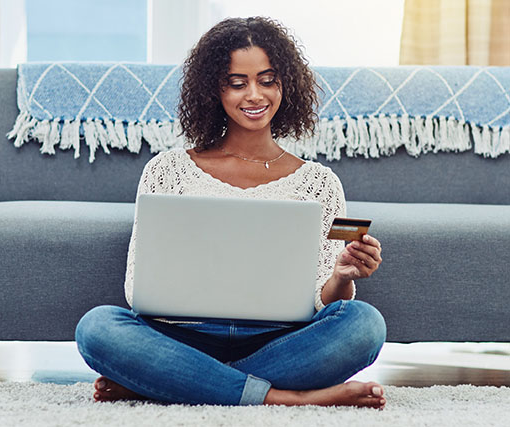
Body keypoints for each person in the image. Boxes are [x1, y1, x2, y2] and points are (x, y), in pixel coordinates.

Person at [75, 16, 386, 409]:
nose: (254, 95)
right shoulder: (167, 170)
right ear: (213, 91)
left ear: (286, 84)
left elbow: (323, 301)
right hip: (183, 335)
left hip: (278, 340)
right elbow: (136, 289)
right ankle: (283, 397)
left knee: (364, 324)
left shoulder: (320, 183)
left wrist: (342, 274)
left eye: (267, 80)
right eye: (237, 83)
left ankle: (174, 382)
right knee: (97, 328)